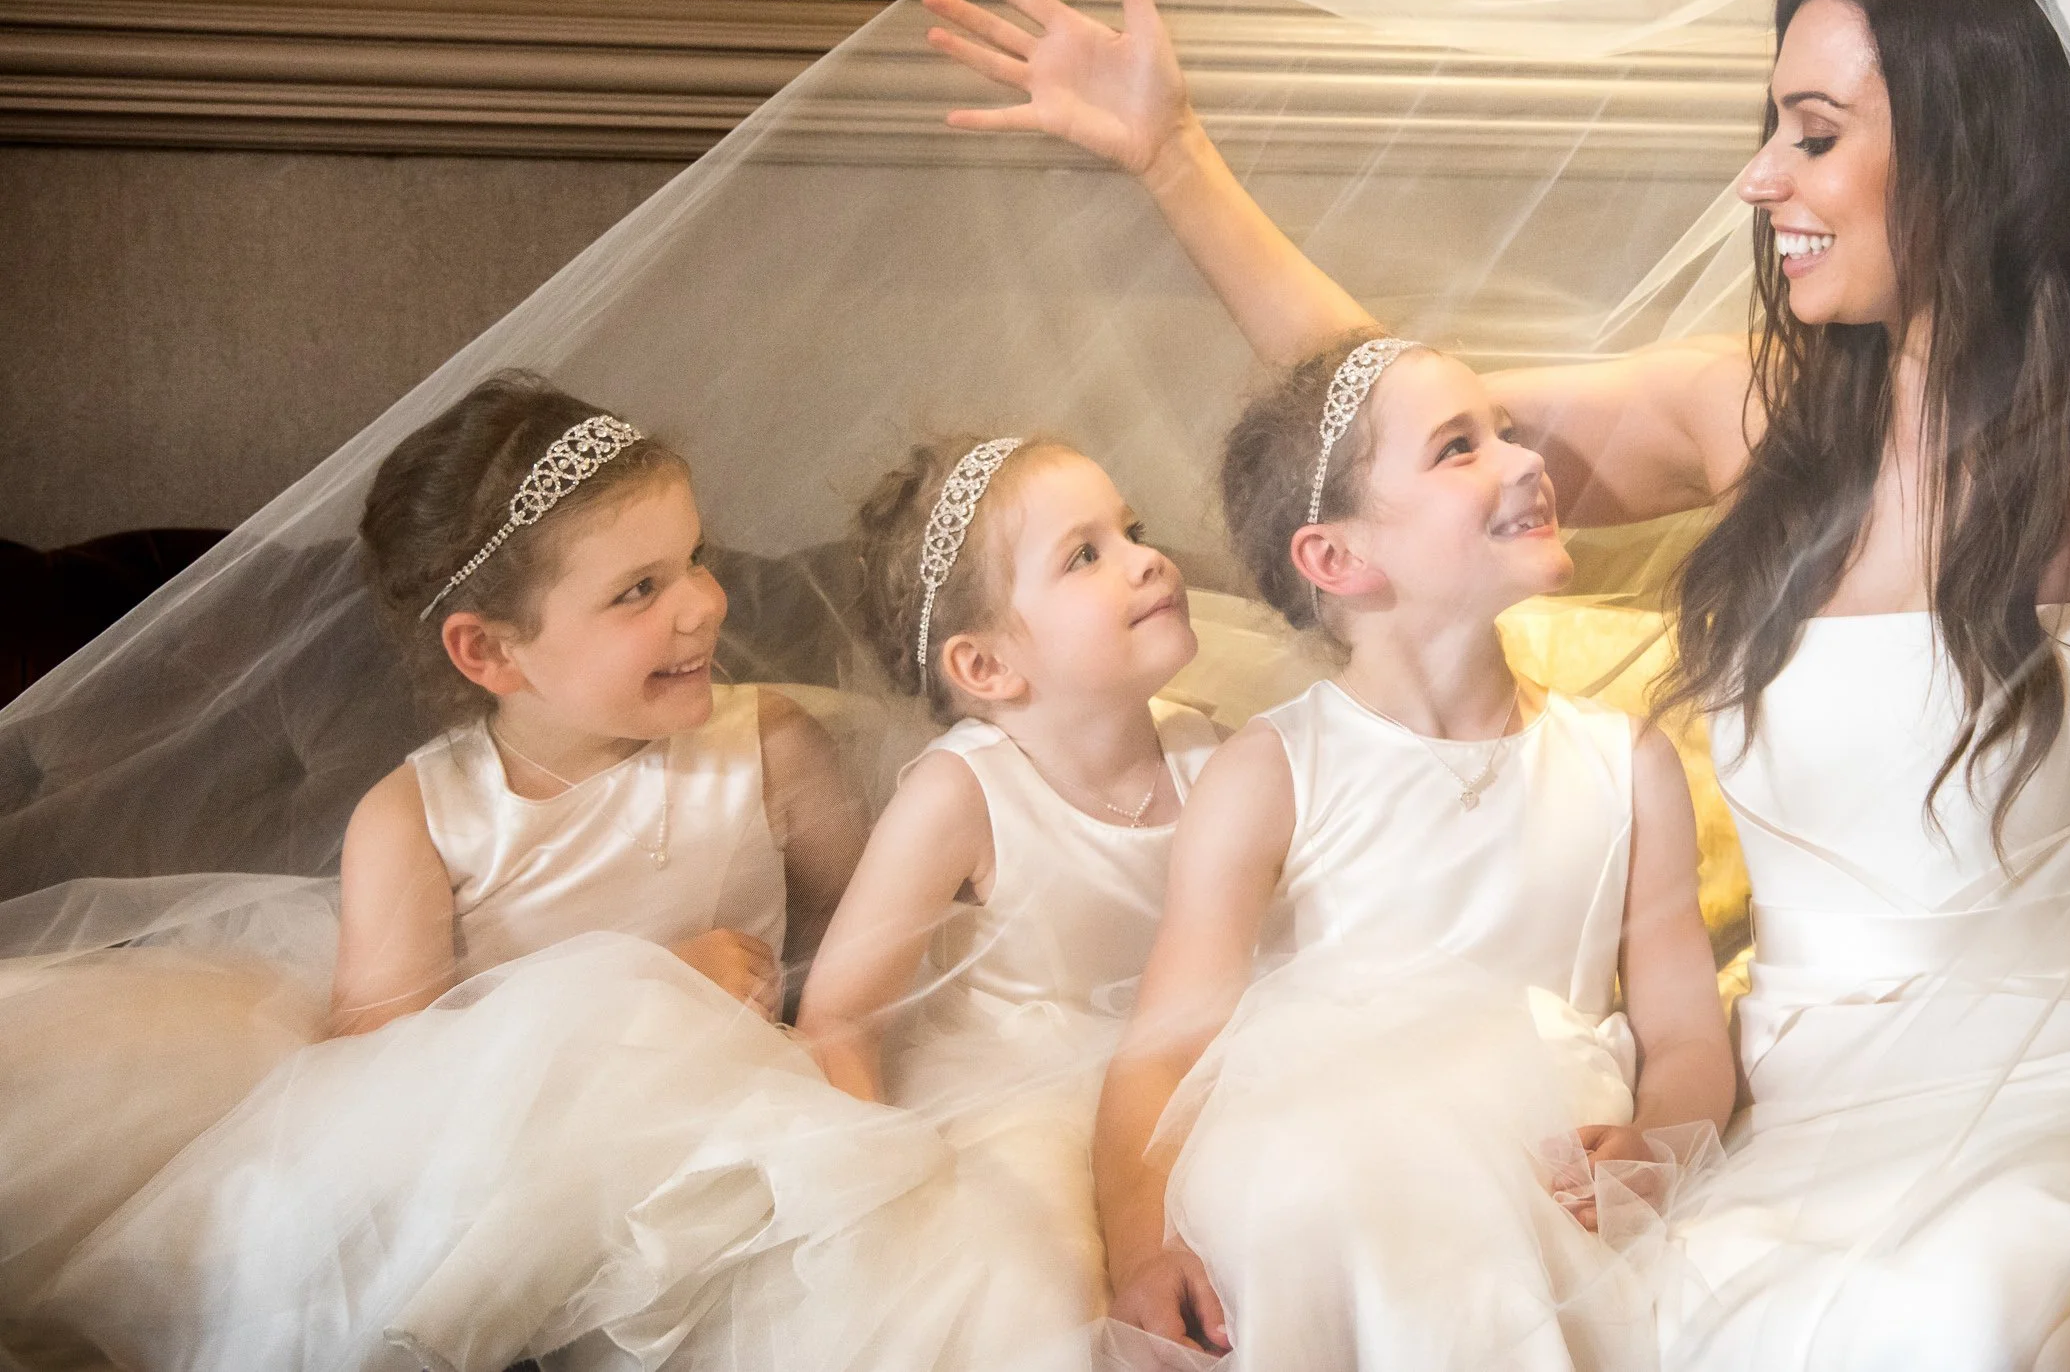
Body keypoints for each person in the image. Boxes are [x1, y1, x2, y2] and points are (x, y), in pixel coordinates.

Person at [924, 0, 2070, 1365]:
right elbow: (1395, 440)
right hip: (1799, 1103)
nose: (1761, 179)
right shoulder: (1748, 420)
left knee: (1972, 1309)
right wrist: (1176, 161)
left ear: (1981, 157)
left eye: (1815, 132)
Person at [40, 373, 949, 1370]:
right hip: (496, 1165)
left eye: (695, 558)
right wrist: (646, 987)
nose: (701, 606)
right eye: (638, 589)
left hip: (726, 1128)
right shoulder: (419, 819)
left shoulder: (766, 745)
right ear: (490, 652)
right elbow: (379, 1075)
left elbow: (881, 941)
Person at [1089, 334, 1735, 1368]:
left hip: (1553, 1158)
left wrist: (1654, 1147)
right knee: (1355, 1193)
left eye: (1510, 434)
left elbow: (1689, 1037)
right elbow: (1161, 1049)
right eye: (1457, 448)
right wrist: (1139, 1245)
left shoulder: (1626, 764)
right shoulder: (1270, 773)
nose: (1526, 461)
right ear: (1338, 558)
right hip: (1323, 1148)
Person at [673, 433, 1218, 1367]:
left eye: (1133, 530)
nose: (1147, 559)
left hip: (1196, 1067)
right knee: (1032, 1284)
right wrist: (873, 1174)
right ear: (987, 667)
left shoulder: (1216, 750)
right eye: (1086, 555)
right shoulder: (962, 791)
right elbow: (840, 1014)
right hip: (1023, 1085)